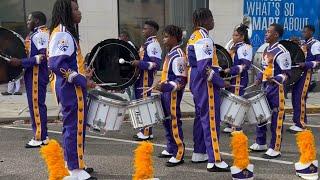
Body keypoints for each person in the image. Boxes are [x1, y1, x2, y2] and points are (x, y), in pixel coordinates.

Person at [48, 0, 96, 179]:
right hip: (71, 90)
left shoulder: (65, 32)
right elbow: (57, 64)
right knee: (73, 127)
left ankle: (75, 164)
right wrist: (83, 81)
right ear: (66, 11)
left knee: (74, 127)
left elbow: (69, 64)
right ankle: (75, 170)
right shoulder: (63, 34)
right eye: (75, 9)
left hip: (69, 88)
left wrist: (84, 74)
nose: (79, 12)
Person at [187, 8, 230, 172]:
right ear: (204, 20)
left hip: (196, 81)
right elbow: (205, 68)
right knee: (211, 120)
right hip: (206, 83)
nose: (213, 22)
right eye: (211, 18)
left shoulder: (193, 36)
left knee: (201, 118)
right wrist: (221, 82)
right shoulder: (204, 38)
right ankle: (215, 160)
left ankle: (199, 153)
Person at [250, 24, 292, 159]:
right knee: (261, 115)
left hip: (276, 89)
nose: (266, 33)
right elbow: (264, 68)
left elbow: (287, 74)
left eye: (269, 32)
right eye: (266, 31)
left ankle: (275, 147)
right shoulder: (266, 49)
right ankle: (260, 142)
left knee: (276, 118)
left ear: (276, 35)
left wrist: (276, 78)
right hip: (265, 87)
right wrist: (258, 78)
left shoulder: (282, 51)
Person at [8, 11, 49, 148]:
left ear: (36, 21)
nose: (27, 22)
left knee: (36, 106)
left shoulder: (41, 34)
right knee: (37, 106)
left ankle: (39, 138)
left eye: (29, 19)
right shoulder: (36, 34)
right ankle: (43, 136)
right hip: (32, 74)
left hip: (37, 75)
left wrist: (20, 62)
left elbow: (43, 57)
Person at [156, 25, 187, 167]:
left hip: (173, 95)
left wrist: (165, 86)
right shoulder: (170, 53)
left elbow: (181, 81)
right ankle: (170, 147)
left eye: (166, 36)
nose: (163, 40)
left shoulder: (179, 56)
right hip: (165, 93)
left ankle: (179, 153)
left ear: (175, 38)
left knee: (174, 122)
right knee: (167, 121)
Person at [131, 20, 162, 141]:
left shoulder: (153, 44)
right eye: (143, 28)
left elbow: (156, 64)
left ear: (153, 30)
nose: (143, 30)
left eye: (146, 28)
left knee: (144, 105)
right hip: (140, 78)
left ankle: (147, 132)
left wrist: (140, 63)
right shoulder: (147, 43)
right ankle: (145, 130)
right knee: (141, 104)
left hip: (146, 79)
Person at [288, 25, 320, 133]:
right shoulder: (304, 43)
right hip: (297, 73)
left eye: (305, 32)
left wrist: (306, 64)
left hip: (306, 73)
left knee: (300, 97)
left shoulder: (315, 44)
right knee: (294, 97)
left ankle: (301, 124)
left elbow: (318, 62)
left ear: (311, 32)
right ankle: (297, 122)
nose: (303, 33)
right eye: (302, 31)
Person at [223, 24, 253, 133]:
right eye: (233, 34)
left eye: (236, 35)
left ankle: (237, 127)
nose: (233, 37)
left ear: (242, 37)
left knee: (237, 102)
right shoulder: (233, 46)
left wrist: (231, 70)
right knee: (230, 101)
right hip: (231, 78)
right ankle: (230, 124)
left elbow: (245, 65)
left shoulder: (245, 48)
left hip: (239, 78)